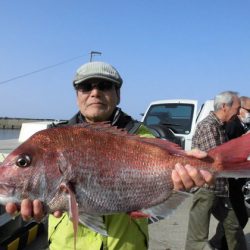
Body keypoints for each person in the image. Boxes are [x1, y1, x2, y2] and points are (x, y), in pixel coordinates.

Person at [5, 61, 214, 250]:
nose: (95, 93)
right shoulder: (52, 138)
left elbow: (155, 212)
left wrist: (188, 177)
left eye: (104, 86)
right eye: (86, 87)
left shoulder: (141, 136)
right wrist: (37, 212)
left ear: (118, 94)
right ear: (77, 95)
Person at [185, 91, 246, 250]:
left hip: (220, 188)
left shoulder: (220, 126)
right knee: (197, 238)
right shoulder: (208, 126)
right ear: (225, 107)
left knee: (234, 228)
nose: (238, 113)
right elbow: (215, 160)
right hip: (206, 189)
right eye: (237, 108)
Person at [209, 96, 250, 250]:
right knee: (238, 216)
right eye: (249, 110)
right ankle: (218, 243)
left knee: (237, 217)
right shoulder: (233, 126)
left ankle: (219, 243)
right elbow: (224, 151)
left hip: (236, 178)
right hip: (229, 179)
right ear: (240, 110)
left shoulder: (241, 125)